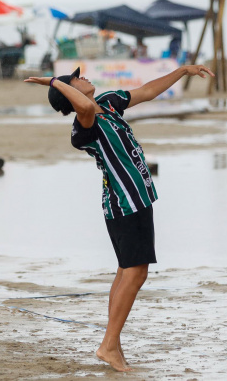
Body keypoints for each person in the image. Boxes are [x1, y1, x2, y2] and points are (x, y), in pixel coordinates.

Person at [24, 64, 215, 372]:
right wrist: (52, 81)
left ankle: (113, 344)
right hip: (125, 203)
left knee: (126, 272)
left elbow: (148, 91)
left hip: (134, 199)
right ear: (69, 93)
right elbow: (84, 105)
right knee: (136, 274)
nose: (83, 77)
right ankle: (109, 345)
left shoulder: (110, 103)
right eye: (75, 78)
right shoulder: (84, 125)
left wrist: (181, 71)